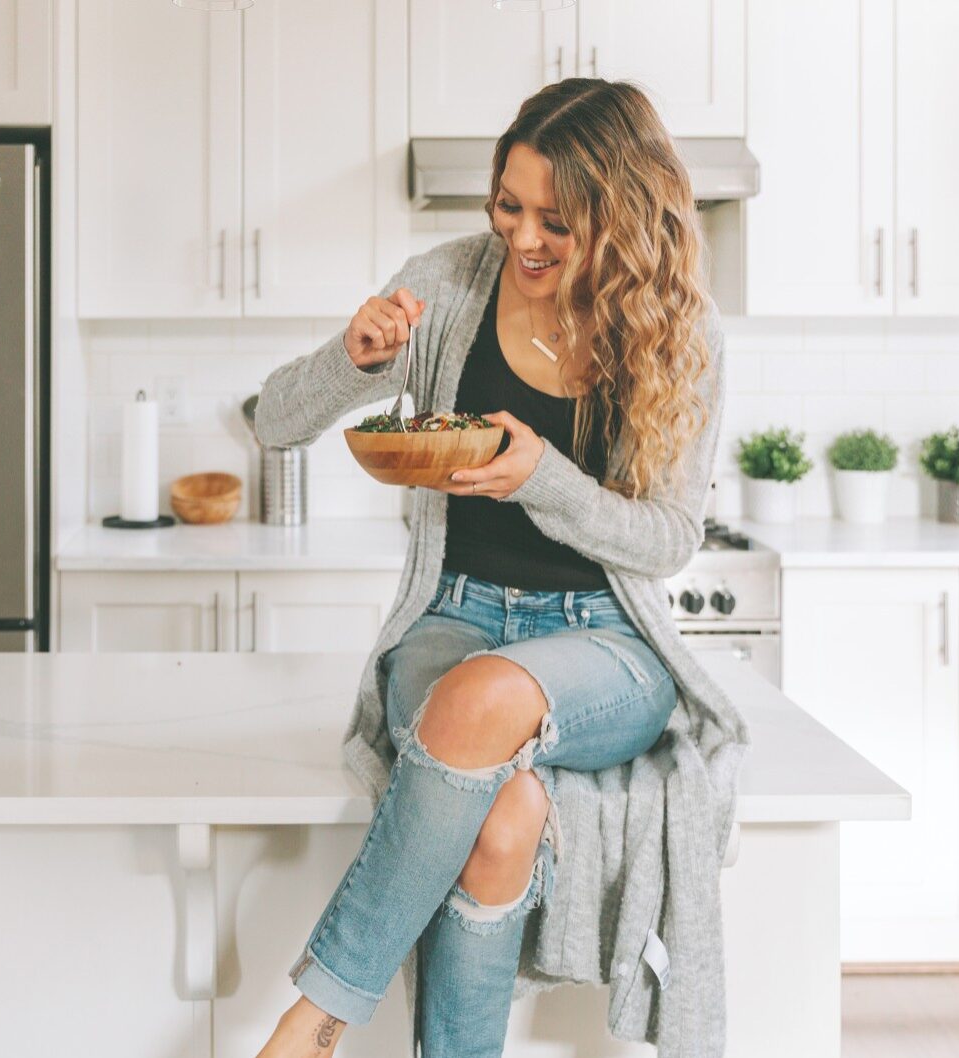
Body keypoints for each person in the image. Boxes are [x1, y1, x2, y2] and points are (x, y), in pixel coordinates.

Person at [247, 78, 747, 1058]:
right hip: (453, 617)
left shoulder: (680, 330)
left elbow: (667, 539)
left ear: (620, 213)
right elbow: (273, 421)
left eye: (556, 221)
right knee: (503, 818)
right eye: (506, 206)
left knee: (479, 698)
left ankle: (315, 1016)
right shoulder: (446, 285)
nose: (522, 238)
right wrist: (355, 360)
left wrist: (542, 479)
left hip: (605, 643)